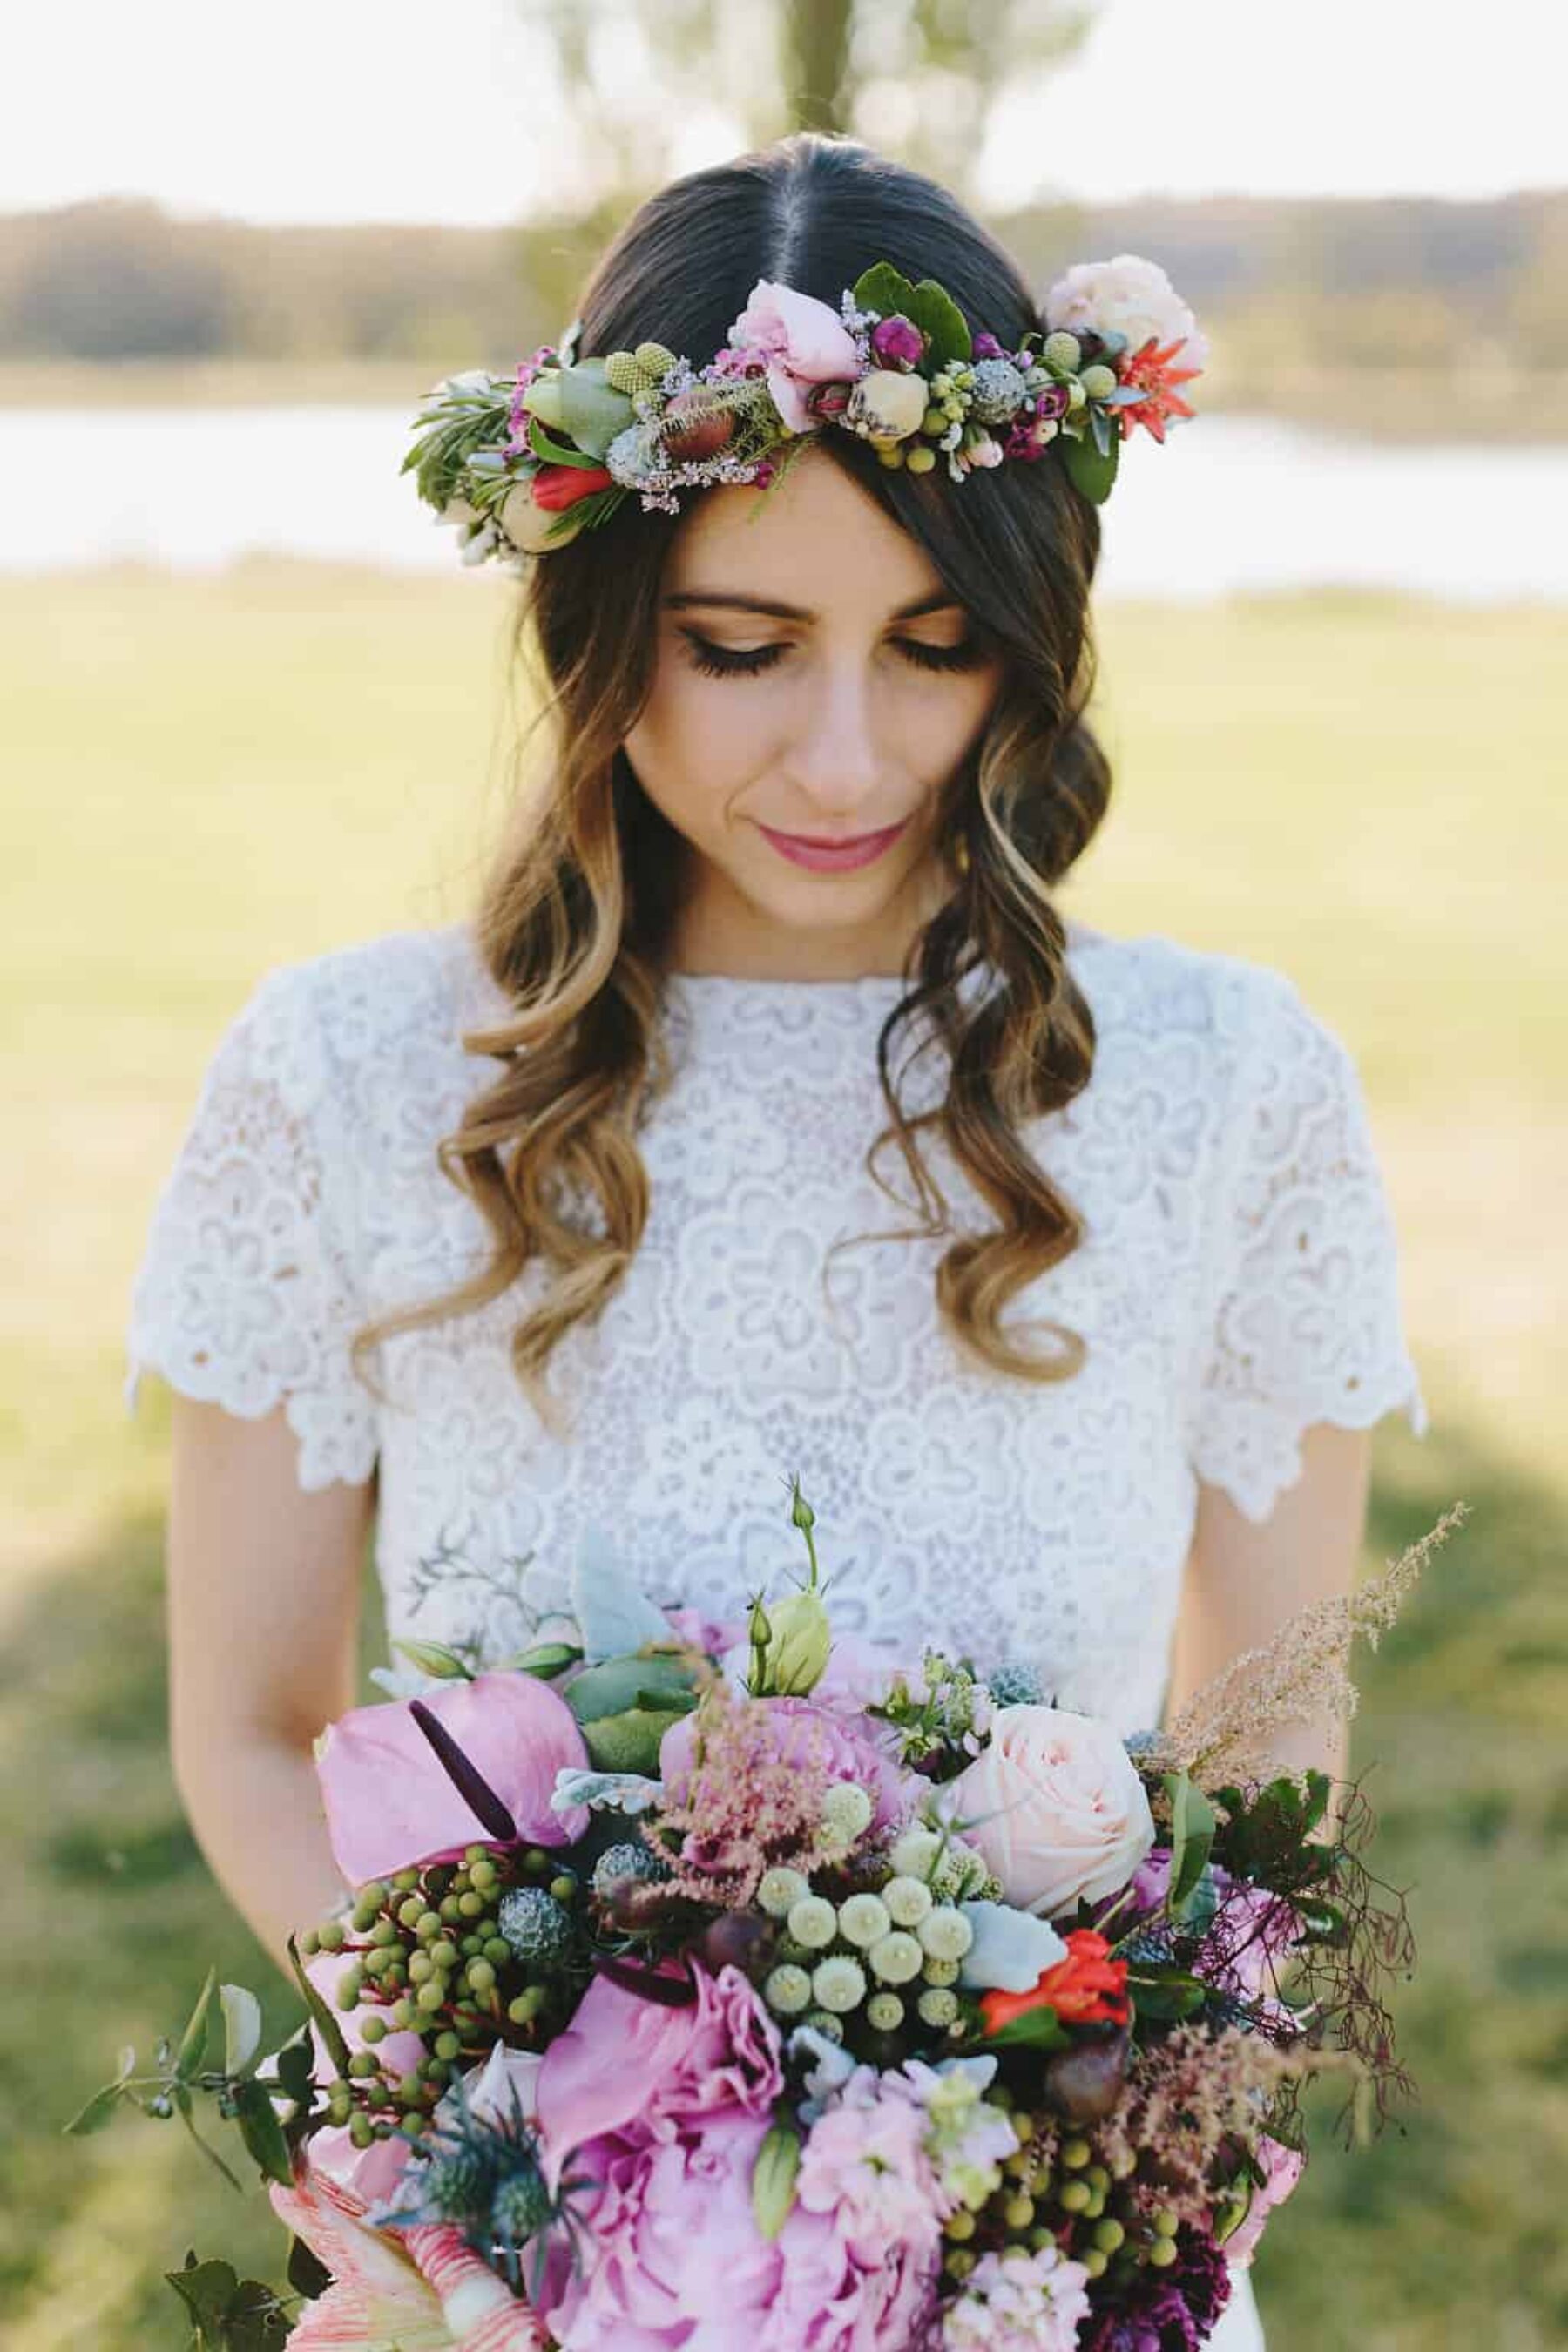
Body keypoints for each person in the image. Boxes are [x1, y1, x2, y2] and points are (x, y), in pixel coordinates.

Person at [123, 132, 1429, 2350]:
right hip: (525, 2279)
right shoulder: (348, 1077)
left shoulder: (1229, 1088)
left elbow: (1266, 1758)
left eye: (937, 648)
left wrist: (1080, 2171)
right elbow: (255, 1723)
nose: (850, 752)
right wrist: (534, 2165)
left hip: (1051, 2265)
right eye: (745, 648)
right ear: (605, 632)